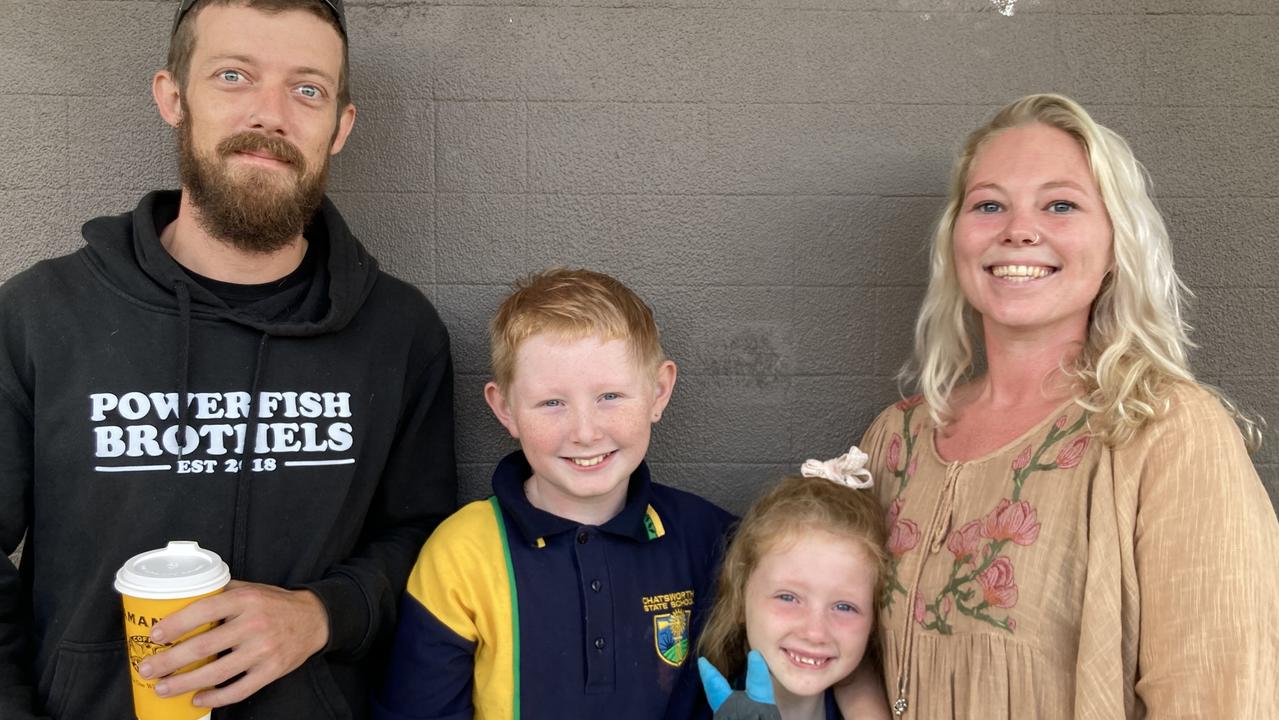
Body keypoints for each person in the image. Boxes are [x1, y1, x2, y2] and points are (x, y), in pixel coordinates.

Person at [0, 0, 456, 716]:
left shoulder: (399, 333)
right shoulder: (39, 315)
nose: (269, 114)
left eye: (307, 88)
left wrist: (321, 614)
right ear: (173, 97)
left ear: (339, 126)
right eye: (234, 76)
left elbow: (428, 541)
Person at [836, 93, 1279, 718]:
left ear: (1115, 245)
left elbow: (1218, 696)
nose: (1019, 230)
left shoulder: (1169, 433)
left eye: (1061, 204)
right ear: (956, 239)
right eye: (989, 204)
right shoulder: (894, 438)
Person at [373, 267, 735, 719]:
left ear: (658, 391)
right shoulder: (462, 554)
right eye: (551, 403)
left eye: (610, 397)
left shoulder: (712, 539)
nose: (584, 432)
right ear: (505, 409)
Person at [698, 448, 887, 720]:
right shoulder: (703, 706)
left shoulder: (866, 703)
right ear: (740, 596)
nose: (814, 632)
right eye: (788, 598)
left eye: (844, 606)